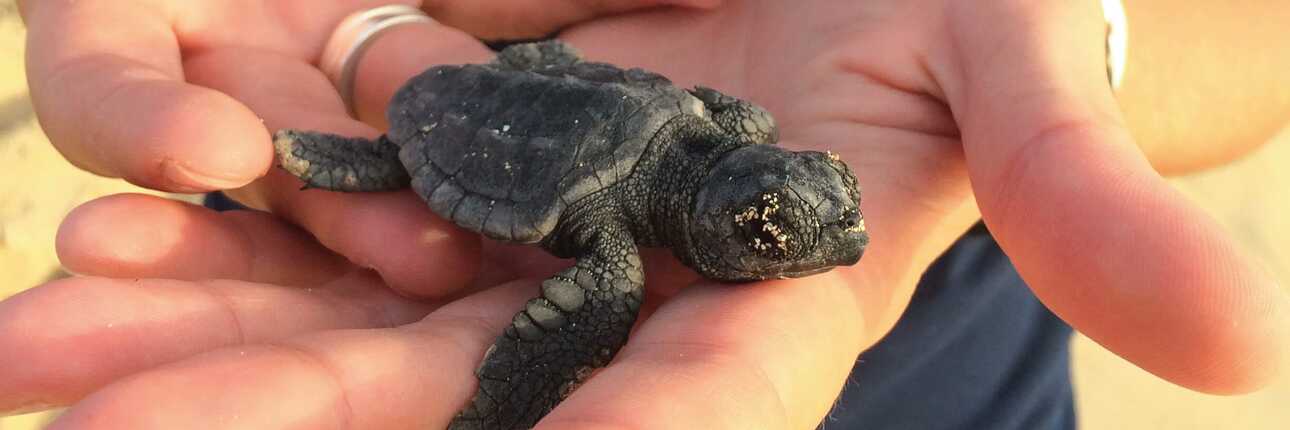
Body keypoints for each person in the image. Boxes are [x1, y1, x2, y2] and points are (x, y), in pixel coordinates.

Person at [3, 0, 1288, 428]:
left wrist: (1105, 35)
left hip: (966, 384)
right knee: (387, 173)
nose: (822, 245)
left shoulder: (733, 132)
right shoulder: (620, 244)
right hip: (452, 120)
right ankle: (311, 154)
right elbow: (561, 264)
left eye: (810, 214)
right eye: (783, 238)